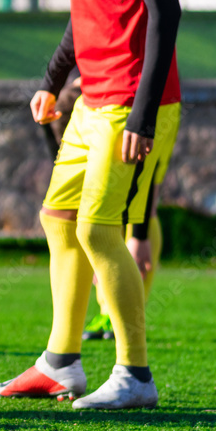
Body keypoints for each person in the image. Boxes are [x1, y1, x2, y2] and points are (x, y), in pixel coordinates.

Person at [0, 0, 182, 409]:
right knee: (58, 219)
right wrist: (51, 82)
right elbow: (87, 14)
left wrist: (143, 114)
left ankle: (135, 375)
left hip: (131, 105)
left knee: (98, 231)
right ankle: (60, 362)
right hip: (92, 103)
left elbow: (166, 13)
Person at [44, 77, 171, 343]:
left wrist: (140, 236)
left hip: (146, 102)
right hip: (99, 94)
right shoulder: (66, 110)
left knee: (133, 202)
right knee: (89, 220)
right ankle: (88, 330)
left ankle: (126, 325)